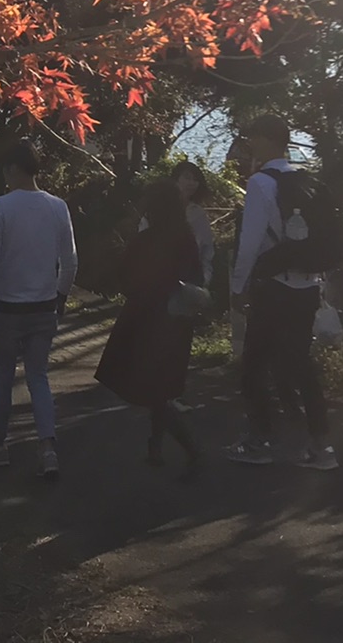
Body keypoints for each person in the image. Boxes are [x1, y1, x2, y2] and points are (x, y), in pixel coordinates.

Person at [226, 115, 336, 470]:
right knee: (301, 365)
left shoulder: (260, 183)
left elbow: (250, 241)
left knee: (254, 366)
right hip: (307, 285)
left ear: (267, 141)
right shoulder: (304, 179)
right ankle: (321, 447)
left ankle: (260, 440)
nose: (250, 143)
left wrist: (237, 286)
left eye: (253, 137)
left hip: (273, 287)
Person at [0, 141, 78, 478]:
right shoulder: (58, 206)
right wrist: (60, 295)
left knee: (3, 376)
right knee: (39, 377)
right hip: (44, 306)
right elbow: (71, 262)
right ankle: (48, 448)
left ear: (13, 169)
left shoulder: (1, 207)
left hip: (5, 308)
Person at [97, 179, 207, 473]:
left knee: (153, 390)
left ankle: (192, 449)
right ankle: (155, 447)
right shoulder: (186, 237)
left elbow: (123, 275)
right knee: (163, 387)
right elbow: (197, 277)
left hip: (146, 321)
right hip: (178, 320)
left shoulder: (147, 239)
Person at [138, 159, 217, 286]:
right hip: (156, 281)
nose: (191, 183)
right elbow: (142, 244)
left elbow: (206, 251)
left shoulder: (198, 214)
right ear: (175, 179)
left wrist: (205, 279)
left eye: (195, 180)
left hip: (190, 282)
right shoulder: (156, 210)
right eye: (187, 177)